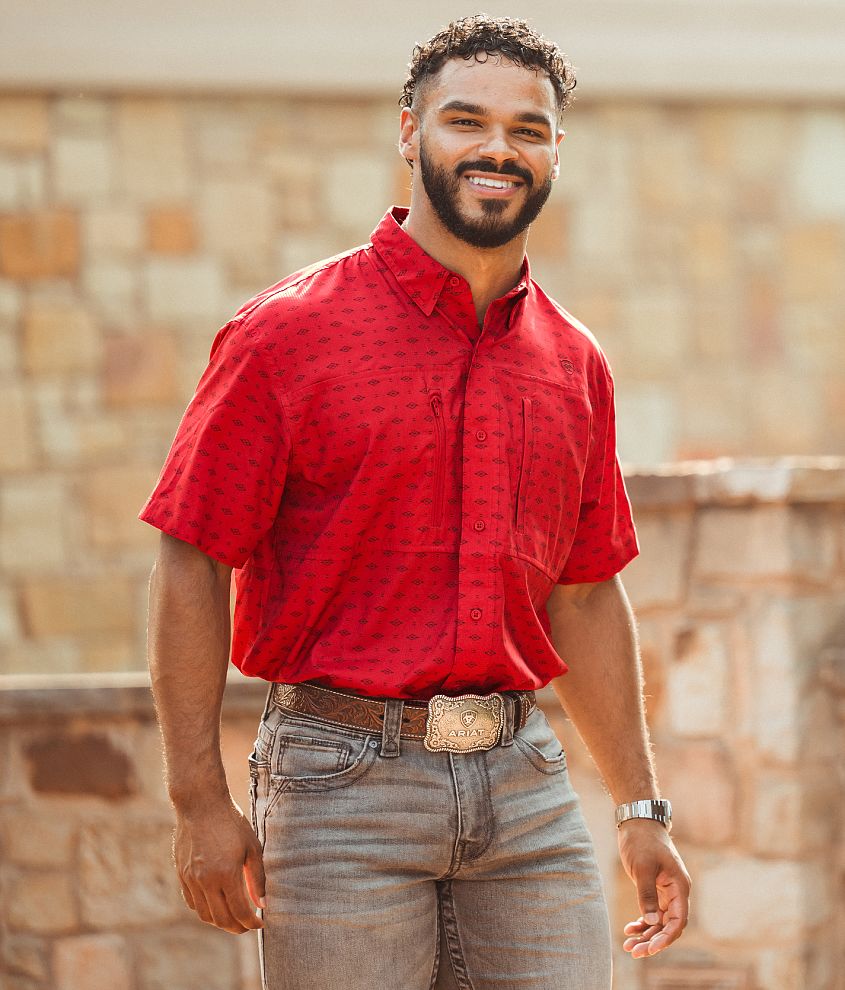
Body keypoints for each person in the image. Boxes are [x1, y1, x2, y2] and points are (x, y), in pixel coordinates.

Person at [141, 14, 690, 989]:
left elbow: (586, 593)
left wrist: (638, 809)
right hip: (337, 790)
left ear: (554, 150)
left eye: (527, 129)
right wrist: (198, 799)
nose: (496, 148)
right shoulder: (286, 336)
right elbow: (191, 556)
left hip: (525, 789)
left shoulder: (572, 364)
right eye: (463, 120)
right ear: (408, 133)